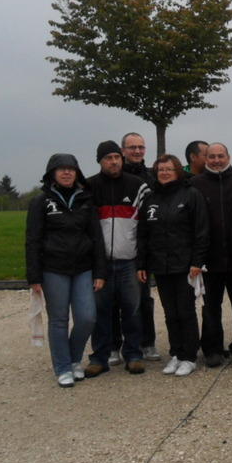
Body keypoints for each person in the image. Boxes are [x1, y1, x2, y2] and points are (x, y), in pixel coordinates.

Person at [25, 154, 105, 388]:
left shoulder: (85, 200)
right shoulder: (41, 202)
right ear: (52, 173)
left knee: (87, 318)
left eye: (71, 169)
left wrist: (100, 271)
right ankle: (63, 367)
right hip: (53, 269)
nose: (67, 173)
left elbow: (96, 237)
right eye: (61, 169)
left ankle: (73, 358)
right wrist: (34, 276)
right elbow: (33, 240)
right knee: (59, 320)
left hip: (83, 268)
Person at [136, 154, 209, 377]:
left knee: (186, 311)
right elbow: (143, 234)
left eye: (169, 169)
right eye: (160, 170)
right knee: (170, 313)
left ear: (177, 170)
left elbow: (201, 231)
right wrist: (142, 263)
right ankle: (176, 353)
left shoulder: (191, 195)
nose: (165, 173)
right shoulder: (150, 199)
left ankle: (189, 356)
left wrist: (197, 261)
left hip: (185, 265)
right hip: (160, 265)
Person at [84, 140, 151, 377]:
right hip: (100, 263)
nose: (113, 162)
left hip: (129, 260)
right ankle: (99, 357)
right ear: (100, 161)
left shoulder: (137, 185)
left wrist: (142, 260)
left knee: (132, 310)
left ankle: (133, 354)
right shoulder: (89, 187)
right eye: (108, 158)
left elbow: (145, 228)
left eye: (116, 157)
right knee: (100, 312)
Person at [189, 142, 232, 368]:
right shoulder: (195, 184)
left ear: (228, 157)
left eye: (220, 156)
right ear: (205, 159)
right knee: (210, 308)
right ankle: (213, 349)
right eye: (211, 156)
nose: (216, 160)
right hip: (209, 260)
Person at [109, 132, 160, 364]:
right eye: (132, 148)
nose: (137, 151)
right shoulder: (114, 177)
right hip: (117, 245)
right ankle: (114, 345)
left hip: (142, 248)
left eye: (141, 147)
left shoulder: (151, 177)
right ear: (122, 151)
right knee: (112, 301)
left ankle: (147, 342)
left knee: (142, 299)